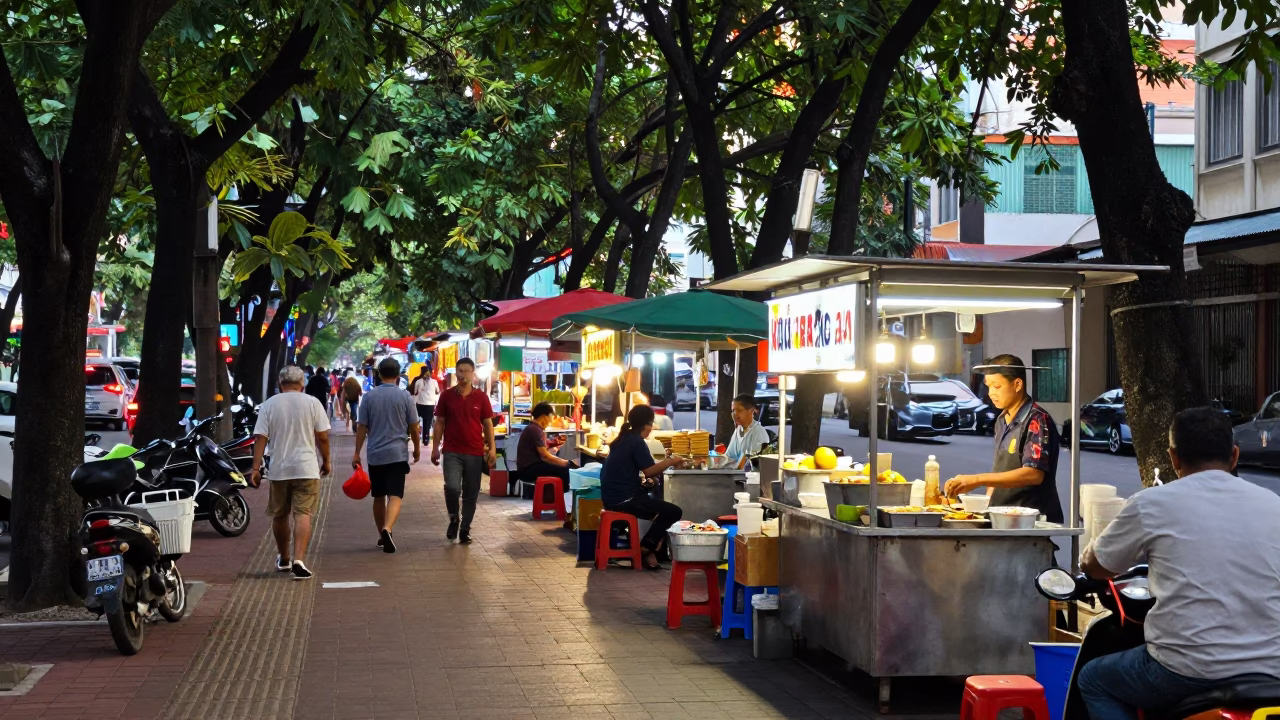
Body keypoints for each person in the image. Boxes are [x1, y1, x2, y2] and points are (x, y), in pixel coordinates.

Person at [1077, 407, 1280, 720]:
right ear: (1234, 455)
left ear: (1173, 458)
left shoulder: (1152, 502)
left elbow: (1098, 566)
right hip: (1270, 669)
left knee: (1094, 678)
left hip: (1188, 670)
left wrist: (1094, 545)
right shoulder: (1273, 504)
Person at [943, 354, 1064, 522]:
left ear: (1017, 384)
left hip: (1031, 522)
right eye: (989, 386)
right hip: (1003, 517)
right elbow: (1000, 468)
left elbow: (1033, 474)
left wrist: (977, 480)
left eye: (997, 386)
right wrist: (986, 505)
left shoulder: (1037, 419)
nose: (991, 393)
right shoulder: (1002, 420)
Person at [249, 365, 330, 580]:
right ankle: (299, 559)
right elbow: (322, 437)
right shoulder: (313, 403)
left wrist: (255, 468)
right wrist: (327, 461)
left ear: (279, 383)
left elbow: (260, 438)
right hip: (307, 467)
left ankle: (284, 558)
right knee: (303, 513)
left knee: (280, 514)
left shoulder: (269, 405)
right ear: (302, 383)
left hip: (279, 469)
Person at [601, 404, 686, 570]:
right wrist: (672, 461)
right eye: (652, 424)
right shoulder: (636, 442)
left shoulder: (624, 438)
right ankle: (646, 548)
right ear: (647, 424)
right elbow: (649, 471)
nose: (652, 428)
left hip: (612, 498)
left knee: (653, 505)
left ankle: (650, 551)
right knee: (673, 511)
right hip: (624, 500)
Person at [352, 357, 420, 553]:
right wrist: (416, 448)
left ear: (379, 374)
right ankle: (387, 528)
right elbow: (414, 427)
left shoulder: (369, 397)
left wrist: (357, 452)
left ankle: (382, 534)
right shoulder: (405, 397)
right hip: (398, 453)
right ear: (398, 375)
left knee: (379, 495)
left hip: (376, 454)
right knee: (396, 494)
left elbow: (362, 427)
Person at [431, 357, 495, 544]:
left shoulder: (481, 397)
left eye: (467, 371)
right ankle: (453, 518)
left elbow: (488, 423)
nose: (463, 374)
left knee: (471, 492)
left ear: (472, 373)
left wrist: (492, 448)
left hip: (474, 452)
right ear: (455, 373)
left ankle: (465, 528)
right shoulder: (447, 396)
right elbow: (439, 423)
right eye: (460, 371)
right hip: (451, 450)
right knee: (452, 488)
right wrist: (435, 448)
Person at [516, 401, 577, 491]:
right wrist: (565, 462)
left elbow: (542, 453)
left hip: (528, 467)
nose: (551, 421)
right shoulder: (535, 430)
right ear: (544, 417)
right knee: (563, 470)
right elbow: (545, 456)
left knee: (560, 467)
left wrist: (553, 448)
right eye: (550, 418)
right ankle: (558, 498)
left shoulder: (534, 428)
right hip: (527, 470)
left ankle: (555, 495)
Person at [725, 394, 770, 470]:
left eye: (739, 410)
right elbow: (729, 456)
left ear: (752, 411)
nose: (735, 415)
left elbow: (750, 463)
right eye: (733, 411)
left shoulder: (758, 432)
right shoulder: (738, 429)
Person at [410, 365, 440, 444]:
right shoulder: (434, 382)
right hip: (430, 404)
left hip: (420, 404)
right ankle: (425, 439)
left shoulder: (418, 381)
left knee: (416, 421)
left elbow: (416, 393)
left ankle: (416, 436)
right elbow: (437, 392)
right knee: (427, 422)